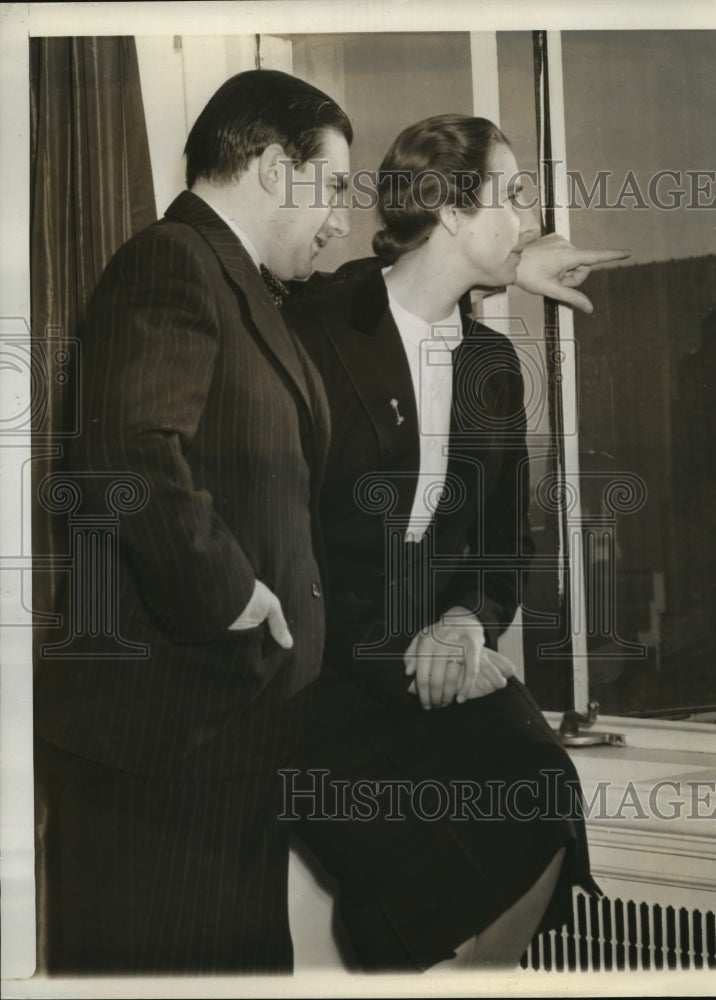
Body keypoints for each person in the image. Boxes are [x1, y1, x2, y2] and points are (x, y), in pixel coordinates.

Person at [281, 114, 629, 971]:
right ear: (446, 209)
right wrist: (410, 647)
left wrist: (468, 624)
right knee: (401, 904)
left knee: (541, 785)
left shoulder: (490, 366)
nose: (532, 214)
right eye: (511, 196)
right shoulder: (320, 322)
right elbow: (288, 538)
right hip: (324, 673)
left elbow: (506, 544)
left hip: (442, 655)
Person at [33, 69, 352, 974]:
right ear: (266, 166)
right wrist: (231, 596)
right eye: (330, 186)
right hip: (165, 743)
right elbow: (128, 455)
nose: (339, 217)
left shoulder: (244, 284)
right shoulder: (173, 259)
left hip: (229, 736)